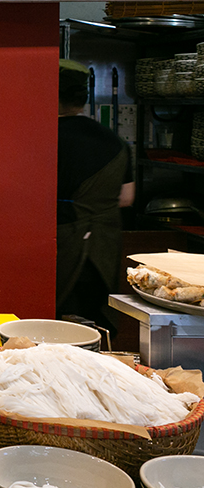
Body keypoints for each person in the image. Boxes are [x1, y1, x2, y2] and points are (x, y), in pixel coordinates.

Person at [57, 59, 135, 331]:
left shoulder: (43, 139)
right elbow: (126, 198)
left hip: (61, 251)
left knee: (54, 330)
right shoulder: (115, 141)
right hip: (102, 253)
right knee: (93, 329)